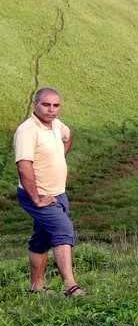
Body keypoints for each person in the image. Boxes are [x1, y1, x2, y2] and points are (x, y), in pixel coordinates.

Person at [14, 87, 85, 297]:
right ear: (35, 104)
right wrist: (36, 198)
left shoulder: (56, 124)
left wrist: (59, 156)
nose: (51, 110)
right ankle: (71, 287)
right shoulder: (27, 130)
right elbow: (23, 166)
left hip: (58, 192)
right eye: (46, 105)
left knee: (42, 239)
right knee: (63, 229)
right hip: (38, 195)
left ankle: (36, 288)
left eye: (56, 105)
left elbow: (68, 135)